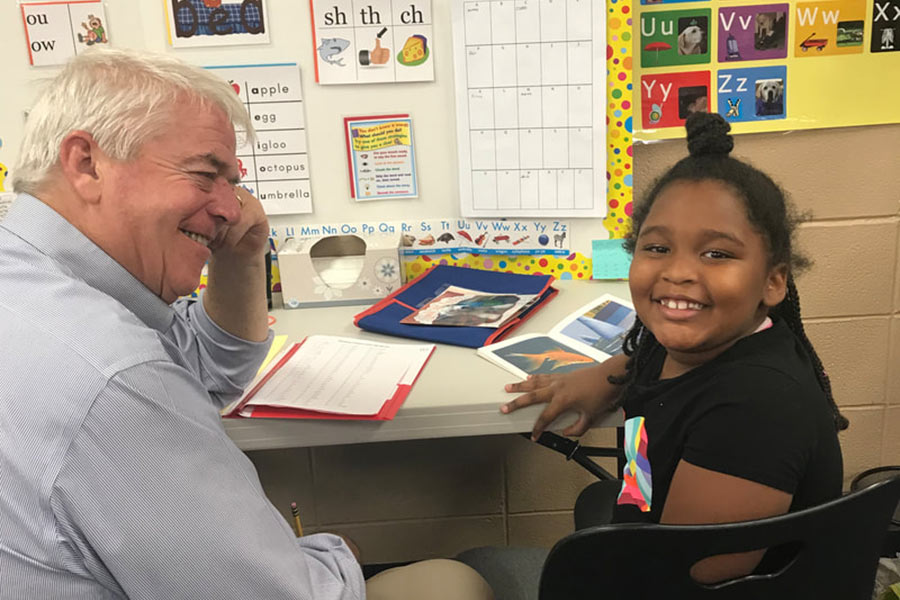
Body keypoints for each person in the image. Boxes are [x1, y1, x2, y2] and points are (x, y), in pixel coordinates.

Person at [0, 47, 492, 600]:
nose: (233, 208)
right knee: (454, 582)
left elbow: (207, 368)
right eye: (205, 174)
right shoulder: (115, 377)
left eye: (231, 182)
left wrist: (240, 257)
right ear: (87, 163)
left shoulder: (33, 279)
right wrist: (337, 554)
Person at [501, 112, 844, 583]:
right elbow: (644, 361)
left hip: (665, 584)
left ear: (773, 280)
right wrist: (601, 378)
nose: (678, 272)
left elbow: (685, 578)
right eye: (657, 248)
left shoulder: (754, 409)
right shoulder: (681, 348)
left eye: (717, 254)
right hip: (641, 529)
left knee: (483, 570)